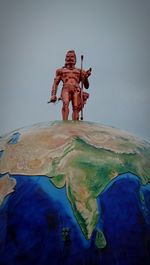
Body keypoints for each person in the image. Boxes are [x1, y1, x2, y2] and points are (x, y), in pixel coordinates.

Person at [48, 50, 92, 120]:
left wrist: (86, 77)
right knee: (65, 104)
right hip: (66, 89)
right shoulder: (61, 71)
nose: (70, 58)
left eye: (72, 56)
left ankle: (75, 124)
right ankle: (65, 122)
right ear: (65, 59)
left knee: (76, 107)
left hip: (76, 89)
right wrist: (53, 95)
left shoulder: (80, 71)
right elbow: (55, 83)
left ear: (75, 59)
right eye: (68, 57)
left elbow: (86, 86)